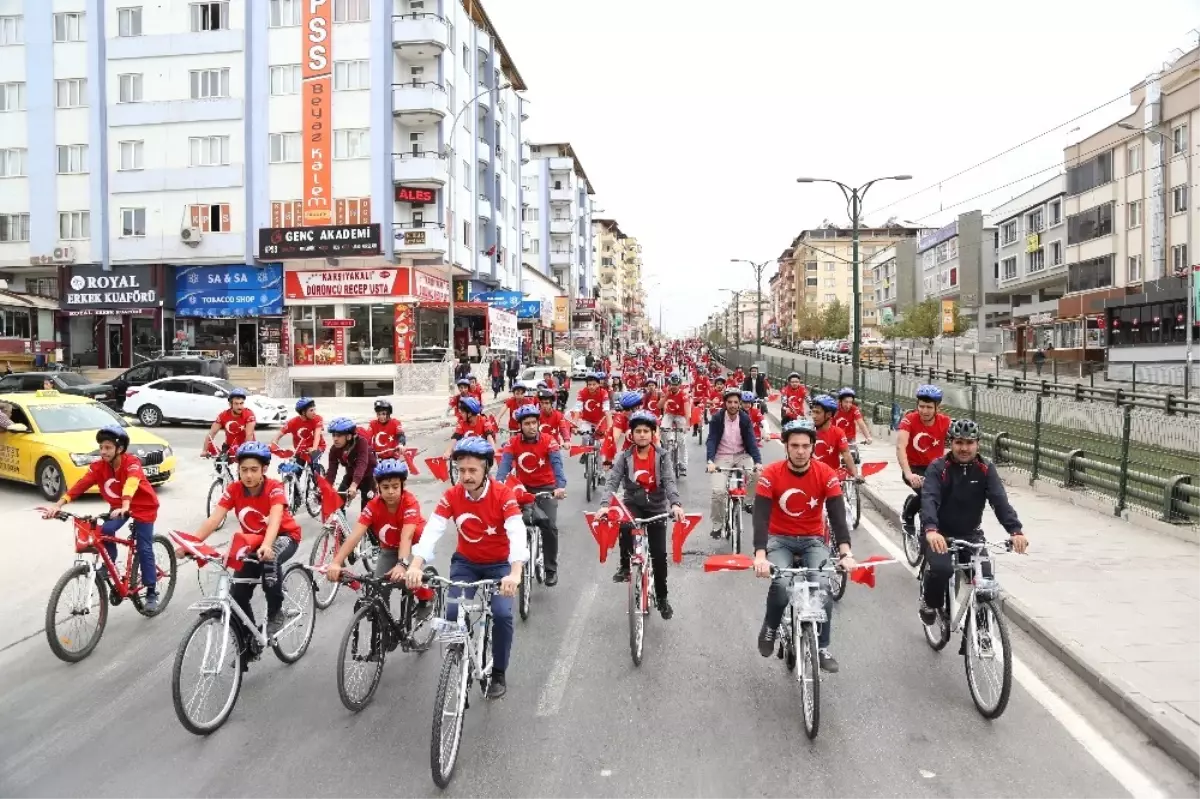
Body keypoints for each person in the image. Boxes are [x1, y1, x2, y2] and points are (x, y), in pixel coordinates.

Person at [406, 438, 527, 699]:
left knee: (502, 614)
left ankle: (498, 672)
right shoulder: (451, 495)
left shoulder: (503, 494)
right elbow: (432, 531)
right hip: (466, 564)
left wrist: (515, 573)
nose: (466, 476)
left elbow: (517, 532)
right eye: (461, 470)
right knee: (452, 613)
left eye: (472, 470)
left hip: (499, 567)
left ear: (486, 470)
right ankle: (463, 656)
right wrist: (416, 565)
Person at [752, 419, 856, 673]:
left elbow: (837, 516)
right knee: (781, 583)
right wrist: (760, 555)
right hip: (779, 540)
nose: (800, 451)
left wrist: (845, 553)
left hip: (813, 541)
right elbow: (761, 517)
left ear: (813, 447)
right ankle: (771, 626)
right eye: (795, 445)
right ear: (786, 446)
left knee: (822, 585)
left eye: (805, 446)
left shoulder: (826, 474)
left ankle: (821, 647)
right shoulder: (771, 474)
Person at [918, 419, 1028, 632]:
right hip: (939, 533)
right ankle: (929, 603)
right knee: (942, 570)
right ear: (951, 443)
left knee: (986, 584)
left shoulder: (986, 469)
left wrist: (1015, 531)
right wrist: (931, 530)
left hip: (970, 535)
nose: (964, 448)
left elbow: (1000, 501)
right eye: (959, 442)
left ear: (978, 444)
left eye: (970, 443)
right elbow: (929, 499)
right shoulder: (938, 468)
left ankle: (983, 633)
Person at [186, 441, 303, 638]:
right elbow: (215, 519)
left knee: (269, 562)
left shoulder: (274, 487)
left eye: (254, 470)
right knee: (237, 594)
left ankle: (276, 613)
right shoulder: (234, 489)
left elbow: (275, 520)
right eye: (244, 470)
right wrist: (192, 543)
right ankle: (250, 643)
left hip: (284, 537)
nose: (248, 475)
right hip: (254, 542)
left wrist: (267, 545)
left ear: (264, 469)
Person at [44, 425, 161, 611]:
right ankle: (109, 565)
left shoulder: (132, 462)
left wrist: (125, 504)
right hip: (119, 508)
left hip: (143, 507)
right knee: (105, 530)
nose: (103, 451)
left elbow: (131, 482)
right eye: (101, 447)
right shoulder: (99, 467)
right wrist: (59, 504)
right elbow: (81, 485)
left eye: (108, 448)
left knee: (144, 547)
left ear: (119, 449)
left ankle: (152, 592)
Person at [600, 411, 686, 619]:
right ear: (632, 434)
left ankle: (663, 598)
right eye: (637, 431)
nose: (642, 435)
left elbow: (669, 482)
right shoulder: (624, 456)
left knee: (659, 556)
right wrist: (604, 505)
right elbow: (612, 482)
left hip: (656, 506)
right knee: (625, 524)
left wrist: (675, 504)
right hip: (633, 503)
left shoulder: (663, 456)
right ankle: (625, 565)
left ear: (653, 433)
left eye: (646, 431)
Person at [326, 459, 434, 619]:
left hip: (414, 546)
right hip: (389, 548)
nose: (391, 491)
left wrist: (403, 564)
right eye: (385, 487)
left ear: (402, 485)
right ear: (378, 487)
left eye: (395, 487)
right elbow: (355, 536)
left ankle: (427, 596)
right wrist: (336, 562)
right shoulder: (372, 506)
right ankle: (386, 632)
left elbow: (407, 536)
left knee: (409, 580)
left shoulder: (410, 502)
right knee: (379, 588)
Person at [496, 405, 567, 586]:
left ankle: (551, 569)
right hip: (523, 489)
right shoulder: (513, 443)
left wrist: (560, 486)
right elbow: (504, 467)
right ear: (520, 426)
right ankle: (512, 565)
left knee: (549, 526)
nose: (531, 426)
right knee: (511, 525)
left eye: (534, 422)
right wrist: (498, 486)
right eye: (527, 423)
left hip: (547, 488)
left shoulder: (548, 440)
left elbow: (557, 465)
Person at [706, 387, 763, 539]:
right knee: (718, 492)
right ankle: (717, 525)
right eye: (729, 402)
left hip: (741, 455)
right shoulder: (717, 418)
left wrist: (758, 462)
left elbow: (751, 441)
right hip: (722, 457)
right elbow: (711, 440)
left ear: (739, 404)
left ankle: (748, 502)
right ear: (725, 403)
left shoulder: (745, 419)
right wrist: (710, 461)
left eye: (735, 402)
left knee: (756, 473)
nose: (732, 405)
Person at [896, 385, 951, 536]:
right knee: (928, 493)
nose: (924, 411)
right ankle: (907, 515)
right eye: (921, 406)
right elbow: (901, 447)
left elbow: (958, 444)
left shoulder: (945, 422)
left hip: (935, 468)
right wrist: (908, 474)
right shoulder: (909, 421)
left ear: (937, 408)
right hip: (914, 469)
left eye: (928, 407)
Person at [326, 416, 378, 513]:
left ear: (349, 436)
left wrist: (354, 485)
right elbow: (331, 472)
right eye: (333, 435)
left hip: (368, 476)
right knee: (338, 503)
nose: (335, 439)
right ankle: (341, 526)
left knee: (367, 512)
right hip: (351, 475)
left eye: (338, 435)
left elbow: (361, 464)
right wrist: (326, 487)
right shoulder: (334, 449)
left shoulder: (361, 442)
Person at [809, 395, 861, 480]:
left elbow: (846, 454)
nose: (813, 416)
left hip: (831, 477)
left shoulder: (838, 432)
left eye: (817, 412)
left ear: (829, 414)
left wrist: (855, 474)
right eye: (813, 412)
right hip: (812, 477)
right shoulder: (807, 431)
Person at [270, 397, 326, 473]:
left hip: (318, 446)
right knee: (296, 472)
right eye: (311, 410)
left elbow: (317, 436)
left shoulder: (317, 419)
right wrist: (273, 444)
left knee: (314, 470)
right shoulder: (293, 422)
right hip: (301, 450)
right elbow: (279, 435)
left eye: (314, 409)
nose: (314, 412)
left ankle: (318, 481)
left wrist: (314, 448)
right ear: (303, 412)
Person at [202, 387, 256, 456]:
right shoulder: (223, 415)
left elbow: (249, 434)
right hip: (230, 446)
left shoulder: (249, 414)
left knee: (244, 465)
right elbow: (211, 433)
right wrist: (204, 450)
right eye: (236, 404)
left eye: (241, 403)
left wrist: (245, 452)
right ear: (230, 405)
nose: (240, 407)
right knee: (220, 463)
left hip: (247, 446)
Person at [658, 373, 692, 475]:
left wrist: (687, 425)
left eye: (676, 384)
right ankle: (666, 451)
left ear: (679, 385)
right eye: (672, 384)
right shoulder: (667, 392)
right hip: (669, 414)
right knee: (663, 429)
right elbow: (659, 405)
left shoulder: (683, 395)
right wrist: (665, 397)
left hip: (681, 416)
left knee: (681, 441)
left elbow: (687, 411)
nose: (673, 386)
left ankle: (683, 464)